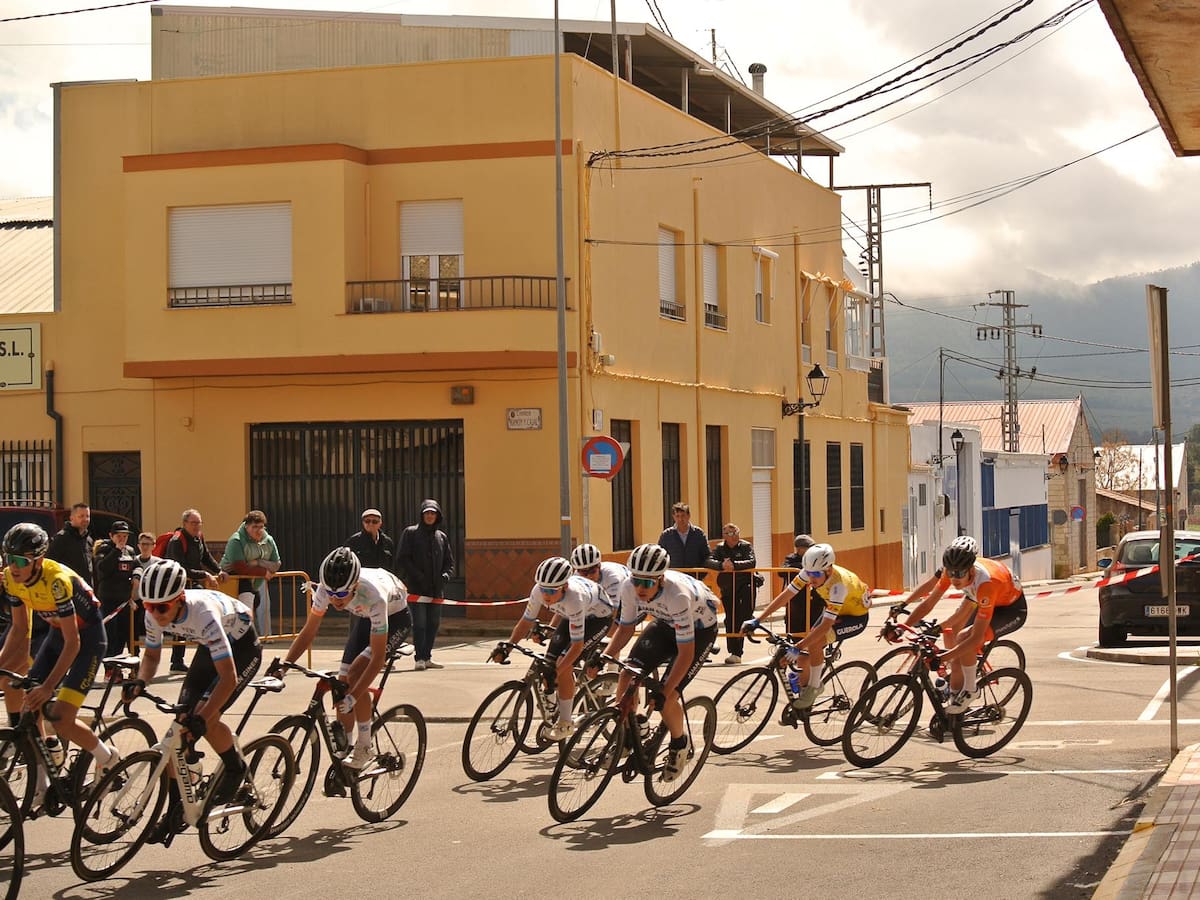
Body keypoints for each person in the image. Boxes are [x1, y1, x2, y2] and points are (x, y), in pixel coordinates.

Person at [130, 559, 261, 804]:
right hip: (209, 645)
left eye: (162, 608)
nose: (156, 614)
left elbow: (228, 678)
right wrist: (140, 681)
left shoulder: (203, 614)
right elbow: (151, 655)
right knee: (179, 726)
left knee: (205, 718)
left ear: (179, 599)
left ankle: (235, 769)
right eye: (149, 606)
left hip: (242, 647)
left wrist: (203, 717)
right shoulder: (153, 614)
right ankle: (177, 806)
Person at [268, 548, 411, 768]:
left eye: (342, 595)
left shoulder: (374, 597)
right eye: (332, 594)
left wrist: (354, 696)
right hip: (364, 616)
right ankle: (346, 748)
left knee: (354, 676)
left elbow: (377, 658)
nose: (336, 600)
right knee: (341, 682)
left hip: (395, 618)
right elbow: (308, 632)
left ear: (354, 586)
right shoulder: (327, 590)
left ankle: (364, 747)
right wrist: (284, 667)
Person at [0, 523, 119, 787]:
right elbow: (20, 629)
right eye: (9, 559)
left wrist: (48, 685)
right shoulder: (10, 578)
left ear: (39, 559)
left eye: (21, 560)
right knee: (30, 706)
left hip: (87, 639)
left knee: (61, 717)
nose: (14, 566)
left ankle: (108, 758)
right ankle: (42, 785)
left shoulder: (56, 582)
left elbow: (73, 643)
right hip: (57, 635)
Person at [605, 544, 720, 783]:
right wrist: (605, 655)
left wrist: (665, 692)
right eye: (636, 580)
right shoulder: (629, 588)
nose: (639, 588)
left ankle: (680, 745)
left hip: (699, 633)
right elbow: (625, 628)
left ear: (661, 579)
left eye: (647, 583)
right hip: (664, 624)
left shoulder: (677, 594)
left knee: (667, 700)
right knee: (627, 673)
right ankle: (628, 734)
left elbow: (686, 653)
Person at [894, 535, 1028, 712]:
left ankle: (971, 689)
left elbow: (975, 637)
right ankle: (955, 709)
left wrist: (943, 658)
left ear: (971, 569)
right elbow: (929, 602)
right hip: (976, 599)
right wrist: (901, 628)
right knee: (951, 634)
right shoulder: (952, 571)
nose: (954, 578)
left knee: (966, 638)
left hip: (1009, 609)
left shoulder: (986, 583)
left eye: (959, 573)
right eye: (951, 573)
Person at [492, 557, 615, 740]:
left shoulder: (575, 598)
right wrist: (507, 647)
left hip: (598, 619)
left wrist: (558, 672)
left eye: (551, 590)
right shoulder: (538, 591)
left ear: (564, 586)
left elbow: (576, 646)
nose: (546, 595)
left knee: (562, 665)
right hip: (570, 615)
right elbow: (526, 621)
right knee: (549, 662)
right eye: (543, 589)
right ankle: (554, 700)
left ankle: (565, 723)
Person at [741, 542, 872, 713]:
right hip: (837, 610)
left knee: (813, 644)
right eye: (809, 574)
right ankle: (805, 704)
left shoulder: (838, 585)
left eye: (816, 574)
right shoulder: (811, 570)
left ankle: (815, 687)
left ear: (828, 570)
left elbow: (826, 625)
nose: (811, 579)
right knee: (803, 658)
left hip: (855, 617)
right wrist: (758, 619)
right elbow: (786, 595)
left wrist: (798, 646)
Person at [162, 508, 226, 673]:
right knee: (181, 621)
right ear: (185, 524)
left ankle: (195, 659)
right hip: (177, 586)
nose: (197, 526)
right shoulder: (177, 541)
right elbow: (180, 568)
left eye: (199, 523)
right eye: (193, 523)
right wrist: (204, 575)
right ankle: (177, 661)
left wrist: (218, 570)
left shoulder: (199, 537)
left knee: (199, 618)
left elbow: (206, 556)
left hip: (193, 585)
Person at [396, 499, 454, 671]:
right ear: (422, 515)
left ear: (437, 516)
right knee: (419, 624)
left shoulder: (441, 537)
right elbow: (403, 558)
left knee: (433, 623)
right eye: (427, 513)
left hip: (437, 590)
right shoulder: (411, 533)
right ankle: (419, 658)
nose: (430, 516)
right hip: (417, 589)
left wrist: (445, 576)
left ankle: (427, 656)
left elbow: (449, 562)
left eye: (433, 513)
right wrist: (418, 576)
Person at [219, 510, 282, 637]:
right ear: (246, 526)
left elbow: (276, 565)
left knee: (259, 608)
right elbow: (241, 568)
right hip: (232, 582)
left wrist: (257, 562)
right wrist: (263, 571)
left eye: (261, 527)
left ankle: (261, 637)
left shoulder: (268, 540)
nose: (258, 530)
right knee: (237, 614)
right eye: (254, 527)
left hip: (257, 581)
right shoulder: (236, 541)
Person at [707, 523, 757, 664]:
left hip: (746, 584)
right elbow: (709, 561)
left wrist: (734, 565)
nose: (733, 536)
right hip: (728, 587)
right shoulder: (720, 548)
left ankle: (740, 646)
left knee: (743, 616)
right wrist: (721, 565)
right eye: (729, 534)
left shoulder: (746, 546)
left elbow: (752, 562)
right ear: (724, 536)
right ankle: (733, 652)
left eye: (735, 532)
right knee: (731, 619)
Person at [92, 520, 139, 655]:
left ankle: (121, 667)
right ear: (111, 536)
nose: (122, 539)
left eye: (125, 536)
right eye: (119, 536)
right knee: (110, 635)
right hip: (109, 600)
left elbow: (137, 566)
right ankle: (109, 669)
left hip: (124, 600)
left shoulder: (129, 551)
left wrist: (136, 576)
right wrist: (116, 550)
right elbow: (103, 569)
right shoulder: (104, 550)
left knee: (123, 635)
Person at [657, 502, 710, 579]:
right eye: (677, 516)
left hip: (694, 578)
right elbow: (661, 557)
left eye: (683, 516)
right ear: (673, 517)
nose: (680, 519)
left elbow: (706, 556)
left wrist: (702, 575)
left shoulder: (699, 534)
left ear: (688, 516)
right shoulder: (666, 535)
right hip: (673, 579)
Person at [48, 502, 94, 584]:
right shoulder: (61, 538)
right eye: (81, 516)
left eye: (87, 516)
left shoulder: (88, 540)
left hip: (86, 589)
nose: (85, 519)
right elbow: (50, 564)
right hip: (68, 588)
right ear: (72, 518)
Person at [780, 534, 815, 636]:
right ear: (799, 549)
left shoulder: (814, 558)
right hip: (796, 597)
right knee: (794, 626)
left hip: (813, 597)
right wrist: (799, 568)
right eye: (808, 548)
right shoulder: (791, 559)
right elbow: (781, 571)